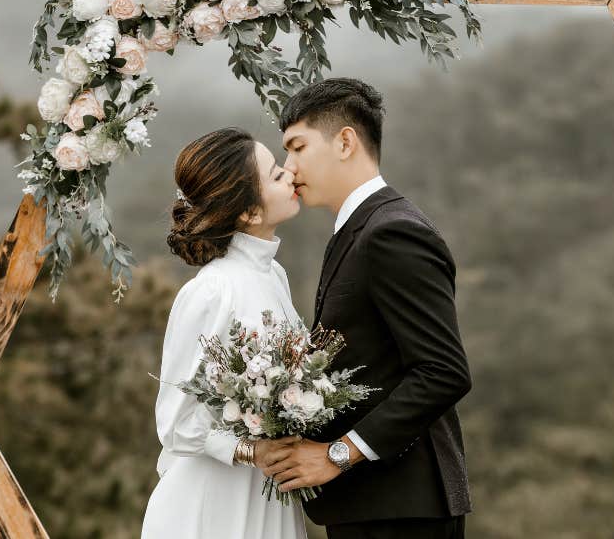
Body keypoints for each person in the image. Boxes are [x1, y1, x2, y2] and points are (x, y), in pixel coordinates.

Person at [260, 78, 473, 539]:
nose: (288, 166)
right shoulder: (357, 229)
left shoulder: (392, 232)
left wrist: (338, 453)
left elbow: (443, 371)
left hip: (403, 509)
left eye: (297, 147)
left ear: (344, 141)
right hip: (374, 506)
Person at [141, 127, 308, 539]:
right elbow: (175, 423)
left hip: (268, 496)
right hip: (213, 504)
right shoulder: (211, 291)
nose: (289, 174)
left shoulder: (275, 275)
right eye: (274, 175)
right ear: (249, 212)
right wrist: (253, 451)